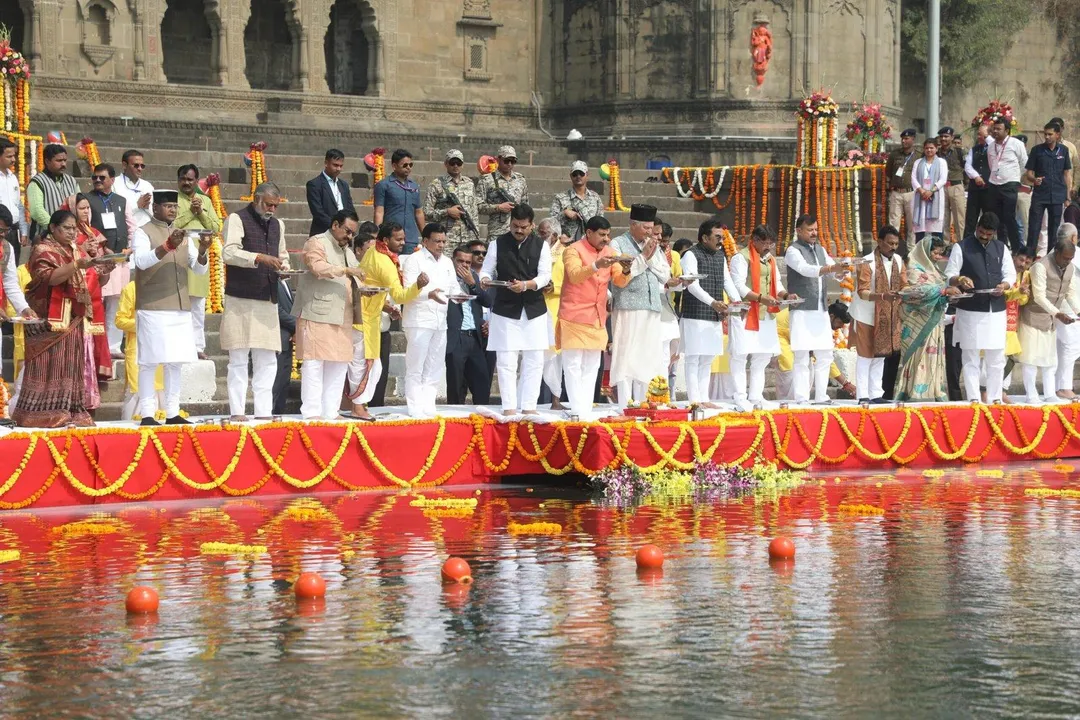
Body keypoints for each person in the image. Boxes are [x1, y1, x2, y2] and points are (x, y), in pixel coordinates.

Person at [12, 209, 112, 427]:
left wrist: (105, 269)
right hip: (48, 317)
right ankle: (37, 413)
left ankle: (69, 410)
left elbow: (93, 282)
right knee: (48, 365)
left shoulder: (75, 249)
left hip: (73, 316)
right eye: (67, 228)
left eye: (74, 228)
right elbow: (50, 279)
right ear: (53, 228)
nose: (72, 233)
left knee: (69, 365)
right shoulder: (42, 249)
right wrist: (77, 263)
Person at [130, 190, 211, 426]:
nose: (173, 211)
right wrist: (167, 245)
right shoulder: (143, 232)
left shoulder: (184, 235)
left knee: (175, 361)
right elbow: (141, 261)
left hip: (179, 306)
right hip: (153, 305)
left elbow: (198, 269)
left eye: (175, 207)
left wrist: (204, 249)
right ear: (155, 208)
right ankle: (147, 414)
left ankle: (173, 412)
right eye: (167, 206)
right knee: (149, 362)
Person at [221, 182, 290, 421]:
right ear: (256, 198)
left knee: (268, 360)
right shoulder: (237, 219)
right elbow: (228, 252)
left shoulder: (278, 224)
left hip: (267, 299)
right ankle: (237, 412)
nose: (272, 209)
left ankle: (263, 412)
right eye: (268, 204)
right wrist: (259, 258)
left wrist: (285, 268)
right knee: (238, 358)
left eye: (275, 205)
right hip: (240, 298)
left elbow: (283, 256)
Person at [479, 203, 552, 416]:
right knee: (506, 360)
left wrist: (527, 285)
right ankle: (509, 407)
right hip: (505, 309)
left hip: (534, 308)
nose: (518, 231)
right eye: (515, 226)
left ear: (532, 225)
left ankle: (529, 406)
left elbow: (545, 275)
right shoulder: (497, 243)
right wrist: (485, 279)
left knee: (534, 360)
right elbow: (486, 270)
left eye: (523, 227)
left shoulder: (541, 245)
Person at [294, 209, 366, 420]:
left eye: (353, 233)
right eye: (347, 231)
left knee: (339, 363)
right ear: (335, 225)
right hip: (317, 312)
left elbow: (358, 275)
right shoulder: (316, 242)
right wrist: (345, 271)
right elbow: (317, 267)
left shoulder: (347, 251)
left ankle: (330, 412)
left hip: (343, 314)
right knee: (314, 363)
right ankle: (311, 413)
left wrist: (367, 287)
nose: (350, 237)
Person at [357, 222, 426, 418]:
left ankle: (360, 408)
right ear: (386, 240)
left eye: (403, 238)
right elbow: (401, 295)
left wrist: (386, 306)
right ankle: (358, 408)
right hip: (366, 319)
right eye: (398, 239)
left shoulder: (372, 252)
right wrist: (418, 286)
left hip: (367, 315)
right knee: (369, 367)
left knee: (369, 366)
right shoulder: (385, 262)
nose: (403, 243)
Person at [947, 212, 1017, 403]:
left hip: (996, 310)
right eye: (981, 232)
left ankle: (995, 399)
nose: (984, 237)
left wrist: (1004, 285)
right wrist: (960, 279)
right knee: (970, 356)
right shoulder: (961, 247)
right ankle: (974, 399)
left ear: (994, 232)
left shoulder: (1001, 247)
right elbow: (950, 273)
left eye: (989, 234)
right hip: (970, 309)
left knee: (996, 357)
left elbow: (1010, 275)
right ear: (977, 228)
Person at [608, 203, 670, 406]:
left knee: (648, 356)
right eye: (646, 228)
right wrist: (644, 258)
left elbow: (665, 276)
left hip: (652, 307)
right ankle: (625, 404)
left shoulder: (652, 246)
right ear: (633, 225)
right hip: (628, 306)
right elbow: (621, 275)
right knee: (626, 355)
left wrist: (649, 258)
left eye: (652, 228)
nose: (650, 232)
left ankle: (644, 402)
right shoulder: (617, 244)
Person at [558, 215, 620, 417]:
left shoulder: (610, 252)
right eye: (602, 235)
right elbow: (575, 275)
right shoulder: (573, 250)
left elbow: (619, 280)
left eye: (608, 235)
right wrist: (596, 265)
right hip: (574, 315)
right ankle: (577, 409)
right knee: (573, 364)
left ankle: (584, 407)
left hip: (597, 316)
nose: (606, 239)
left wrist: (632, 267)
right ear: (589, 233)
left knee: (592, 365)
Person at [785, 214, 849, 404]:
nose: (814, 233)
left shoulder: (820, 249)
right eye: (810, 230)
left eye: (815, 229)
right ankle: (802, 398)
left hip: (820, 310)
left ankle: (822, 396)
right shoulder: (792, 251)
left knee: (825, 354)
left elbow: (830, 268)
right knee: (802, 355)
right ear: (798, 231)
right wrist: (831, 269)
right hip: (802, 310)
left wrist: (841, 271)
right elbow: (805, 269)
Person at [679, 217, 740, 408]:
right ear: (705, 238)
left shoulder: (720, 255)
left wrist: (737, 301)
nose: (721, 241)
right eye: (717, 237)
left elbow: (727, 280)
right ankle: (694, 401)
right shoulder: (691, 255)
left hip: (713, 313)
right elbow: (692, 285)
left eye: (722, 237)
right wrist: (713, 302)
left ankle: (704, 399)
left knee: (707, 358)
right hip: (694, 313)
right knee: (693, 358)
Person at [894, 234, 961, 402]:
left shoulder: (934, 270)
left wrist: (947, 297)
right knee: (919, 358)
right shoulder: (914, 269)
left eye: (940, 254)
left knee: (933, 357)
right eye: (935, 253)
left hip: (935, 322)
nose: (938, 257)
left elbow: (939, 293)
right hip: (918, 322)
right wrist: (943, 292)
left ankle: (933, 391)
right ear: (925, 251)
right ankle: (915, 393)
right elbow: (912, 292)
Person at [400, 223, 457, 417]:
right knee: (416, 365)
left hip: (440, 319)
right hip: (419, 319)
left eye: (443, 241)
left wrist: (461, 296)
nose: (441, 245)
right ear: (425, 241)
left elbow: (453, 287)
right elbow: (408, 288)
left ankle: (428, 404)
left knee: (435, 364)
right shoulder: (414, 260)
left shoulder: (448, 262)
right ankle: (415, 407)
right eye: (437, 241)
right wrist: (428, 294)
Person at [729, 225, 788, 408]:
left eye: (770, 243)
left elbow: (776, 283)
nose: (768, 247)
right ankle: (739, 396)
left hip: (766, 314)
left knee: (762, 356)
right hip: (746, 313)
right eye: (764, 243)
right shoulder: (741, 257)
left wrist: (786, 296)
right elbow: (738, 285)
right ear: (754, 240)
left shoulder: (770, 260)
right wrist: (761, 298)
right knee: (740, 355)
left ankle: (755, 396)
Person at [1017, 239, 1079, 403]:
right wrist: (1058, 314)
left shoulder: (1070, 268)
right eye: (1065, 258)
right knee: (1030, 359)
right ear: (1056, 253)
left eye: (1071, 259)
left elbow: (1070, 293)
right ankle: (1031, 395)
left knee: (1050, 361)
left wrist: (1078, 310)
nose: (1068, 261)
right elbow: (1038, 296)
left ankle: (1050, 394)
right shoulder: (1040, 266)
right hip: (1032, 316)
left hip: (1050, 319)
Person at [851, 225, 907, 403]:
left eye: (896, 243)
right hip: (865, 315)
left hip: (888, 315)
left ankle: (876, 394)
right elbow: (863, 291)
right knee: (865, 356)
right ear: (879, 242)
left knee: (880, 356)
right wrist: (882, 296)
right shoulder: (867, 261)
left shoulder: (898, 260)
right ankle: (863, 395)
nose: (893, 247)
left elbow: (904, 285)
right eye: (890, 243)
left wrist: (910, 293)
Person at [87, 162, 135, 358]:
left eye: (102, 177)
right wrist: (101, 245)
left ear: (112, 180)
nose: (97, 180)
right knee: (98, 300)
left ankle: (113, 347)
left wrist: (131, 246)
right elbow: (86, 227)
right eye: (95, 177)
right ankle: (95, 346)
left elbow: (132, 227)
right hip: (98, 259)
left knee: (116, 301)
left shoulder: (121, 200)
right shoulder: (88, 199)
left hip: (120, 259)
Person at [68, 193, 115, 389]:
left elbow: (99, 268)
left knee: (96, 329)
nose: (86, 211)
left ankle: (98, 371)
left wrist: (107, 265)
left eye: (87, 208)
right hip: (74, 290)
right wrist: (81, 247)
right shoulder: (68, 234)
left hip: (95, 287)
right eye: (81, 208)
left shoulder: (94, 232)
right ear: (72, 210)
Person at [175, 164, 221, 360]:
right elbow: (171, 224)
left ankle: (197, 346)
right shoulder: (171, 199)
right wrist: (190, 213)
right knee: (177, 302)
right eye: (183, 179)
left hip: (200, 250)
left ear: (196, 181)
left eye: (190, 179)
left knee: (197, 303)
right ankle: (177, 346)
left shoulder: (205, 200)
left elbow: (216, 226)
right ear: (178, 180)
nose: (187, 183)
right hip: (177, 249)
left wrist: (200, 211)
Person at [774, 304, 854, 402]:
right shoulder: (817, 318)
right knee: (788, 364)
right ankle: (786, 402)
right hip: (777, 334)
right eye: (839, 323)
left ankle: (801, 399)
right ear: (832, 316)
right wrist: (845, 383)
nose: (839, 327)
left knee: (809, 363)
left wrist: (845, 383)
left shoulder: (823, 320)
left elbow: (825, 358)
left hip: (794, 338)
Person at [445, 245, 493, 405]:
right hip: (455, 337)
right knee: (456, 387)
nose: (465, 265)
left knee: (482, 384)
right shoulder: (446, 276)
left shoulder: (473, 276)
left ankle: (483, 423)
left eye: (468, 262)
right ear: (453, 261)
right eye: (461, 261)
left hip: (474, 338)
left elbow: (487, 301)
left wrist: (473, 284)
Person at [0, 205, 34, 420]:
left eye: (5, 231)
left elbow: (11, 282)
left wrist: (24, 308)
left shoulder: (7, 248)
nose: (3, 235)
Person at [114, 280, 164, 421]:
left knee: (160, 387)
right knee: (138, 387)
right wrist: (144, 324)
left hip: (159, 346)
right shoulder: (131, 288)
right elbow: (120, 320)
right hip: (137, 347)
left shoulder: (164, 287)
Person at [1024, 121, 1073, 258]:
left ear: (1057, 135)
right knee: (1034, 228)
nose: (1046, 137)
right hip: (1040, 195)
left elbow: (1066, 174)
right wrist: (1034, 179)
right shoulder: (1037, 150)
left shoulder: (1063, 150)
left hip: (1057, 195)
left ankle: (1051, 259)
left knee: (1054, 230)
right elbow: (1028, 173)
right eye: (1045, 134)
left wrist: (1068, 196)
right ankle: (1029, 258)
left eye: (1050, 134)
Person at [423, 149, 479, 253]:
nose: (455, 166)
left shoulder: (469, 184)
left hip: (467, 238)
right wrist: (447, 212)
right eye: (452, 163)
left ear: (462, 165)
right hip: (446, 240)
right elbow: (426, 213)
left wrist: (476, 236)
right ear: (446, 164)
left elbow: (474, 213)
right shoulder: (436, 184)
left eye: (459, 163)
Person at [986, 120, 1028, 253]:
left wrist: (1014, 177)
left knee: (1009, 217)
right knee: (997, 218)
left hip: (1009, 184)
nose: (995, 131)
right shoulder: (991, 146)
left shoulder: (1016, 144)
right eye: (994, 129)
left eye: (999, 129)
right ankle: (1002, 246)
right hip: (994, 184)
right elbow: (991, 164)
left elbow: (1024, 163)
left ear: (1007, 131)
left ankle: (1016, 248)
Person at [538, 217, 566, 408]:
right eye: (539, 233)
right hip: (535, 308)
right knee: (535, 357)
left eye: (543, 234)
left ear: (554, 235)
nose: (539, 237)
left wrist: (553, 287)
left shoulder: (566, 254)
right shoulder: (535, 251)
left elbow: (574, 282)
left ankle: (556, 398)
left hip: (557, 310)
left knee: (556, 357)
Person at [373, 148, 424, 254]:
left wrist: (425, 235)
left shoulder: (414, 186)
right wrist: (377, 235)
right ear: (394, 166)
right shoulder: (384, 185)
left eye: (411, 165)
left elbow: (418, 212)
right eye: (404, 165)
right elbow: (379, 211)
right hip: (391, 238)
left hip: (410, 238)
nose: (408, 168)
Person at [27, 144, 79, 241]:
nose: (63, 164)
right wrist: (55, 229)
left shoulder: (72, 181)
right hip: (46, 237)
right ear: (47, 161)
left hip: (71, 236)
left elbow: (79, 204)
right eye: (59, 161)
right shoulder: (37, 182)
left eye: (65, 160)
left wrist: (71, 229)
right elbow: (37, 211)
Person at [477, 146, 528, 239]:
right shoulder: (486, 179)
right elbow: (478, 206)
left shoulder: (520, 179)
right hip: (497, 232)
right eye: (506, 160)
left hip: (518, 232)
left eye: (513, 161)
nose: (509, 164)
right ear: (498, 159)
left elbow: (525, 206)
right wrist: (498, 207)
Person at [549, 161, 604, 242]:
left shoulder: (595, 197)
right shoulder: (560, 198)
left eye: (581, 173)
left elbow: (601, 222)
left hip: (590, 244)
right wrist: (564, 214)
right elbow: (551, 224)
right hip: (567, 244)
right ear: (571, 176)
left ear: (587, 175)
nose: (578, 176)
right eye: (575, 174)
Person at [1055, 223, 1080, 398]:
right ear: (1073, 238)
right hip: (1070, 308)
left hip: (1056, 308)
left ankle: (1059, 386)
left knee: (1061, 348)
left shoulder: (1052, 252)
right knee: (1071, 347)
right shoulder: (1075, 252)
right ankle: (1064, 386)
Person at [885, 128, 919, 255]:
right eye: (902, 139)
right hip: (896, 192)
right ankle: (892, 251)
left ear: (913, 139)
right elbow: (888, 171)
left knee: (912, 225)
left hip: (912, 193)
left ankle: (911, 253)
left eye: (907, 139)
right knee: (893, 224)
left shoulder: (918, 155)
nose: (904, 141)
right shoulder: (895, 154)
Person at [306, 148, 355, 237]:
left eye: (341, 166)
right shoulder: (314, 184)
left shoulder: (344, 185)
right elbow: (318, 212)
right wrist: (336, 227)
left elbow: (350, 208)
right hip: (323, 233)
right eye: (335, 165)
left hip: (344, 235)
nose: (338, 169)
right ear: (326, 163)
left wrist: (349, 227)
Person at [911, 137, 949, 242]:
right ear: (924, 149)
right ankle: (920, 253)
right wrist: (922, 191)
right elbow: (913, 178)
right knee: (921, 228)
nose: (929, 150)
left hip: (936, 196)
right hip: (920, 197)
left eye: (931, 148)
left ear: (936, 149)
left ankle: (936, 253)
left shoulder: (942, 162)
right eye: (927, 148)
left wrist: (931, 191)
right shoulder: (918, 162)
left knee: (936, 228)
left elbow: (943, 179)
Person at [938, 127, 967, 243]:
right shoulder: (937, 152)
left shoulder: (959, 151)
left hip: (956, 186)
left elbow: (967, 169)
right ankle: (944, 245)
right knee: (944, 218)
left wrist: (965, 185)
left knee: (959, 218)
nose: (943, 139)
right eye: (942, 136)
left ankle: (962, 244)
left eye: (946, 136)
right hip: (942, 187)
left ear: (952, 137)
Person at [0, 138, 27, 262]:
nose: (13, 159)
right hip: (1, 231)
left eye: (14, 155)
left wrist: (23, 230)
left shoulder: (12, 178)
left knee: (13, 268)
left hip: (13, 232)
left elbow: (19, 206)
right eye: (9, 156)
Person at [272, 275, 295, 415]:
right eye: (283, 258)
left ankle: (278, 414)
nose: (286, 262)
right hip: (277, 337)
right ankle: (270, 414)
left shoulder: (285, 282)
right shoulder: (272, 281)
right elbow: (277, 309)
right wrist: (297, 325)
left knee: (283, 384)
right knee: (275, 384)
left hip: (287, 338)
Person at [964, 124, 993, 237]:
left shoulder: (994, 147)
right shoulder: (974, 149)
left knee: (988, 217)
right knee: (971, 218)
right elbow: (968, 166)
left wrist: (987, 138)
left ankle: (987, 241)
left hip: (989, 189)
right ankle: (967, 243)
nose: (979, 137)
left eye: (981, 135)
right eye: (979, 134)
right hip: (975, 189)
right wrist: (976, 176)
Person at [114, 149, 155, 228]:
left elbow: (154, 212)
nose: (140, 168)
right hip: (125, 229)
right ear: (124, 165)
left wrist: (147, 207)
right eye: (136, 165)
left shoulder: (147, 185)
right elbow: (114, 211)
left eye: (142, 166)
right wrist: (136, 205)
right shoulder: (115, 184)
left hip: (146, 230)